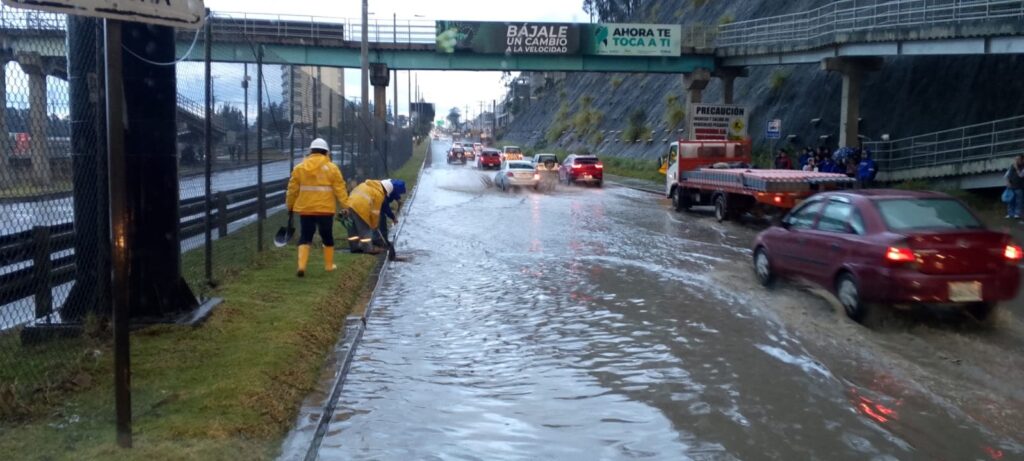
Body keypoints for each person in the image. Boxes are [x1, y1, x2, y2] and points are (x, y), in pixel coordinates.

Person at [286, 138, 349, 277]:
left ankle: (301, 266)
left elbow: (292, 190)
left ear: (311, 151)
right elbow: (340, 189)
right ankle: (329, 265)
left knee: (305, 236)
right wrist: (345, 206)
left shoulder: (299, 168)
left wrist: (290, 206)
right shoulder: (332, 168)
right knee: (327, 236)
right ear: (326, 152)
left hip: (306, 209)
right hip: (325, 209)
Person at [347, 178, 407, 254]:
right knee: (365, 230)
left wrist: (392, 216)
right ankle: (369, 249)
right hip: (361, 208)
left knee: (353, 230)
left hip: (349, 205)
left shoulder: (370, 185)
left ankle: (354, 247)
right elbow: (375, 212)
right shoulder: (379, 194)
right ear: (386, 191)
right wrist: (374, 225)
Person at [1006, 155, 1024, 220]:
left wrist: (1016, 168)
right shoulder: (1012, 166)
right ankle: (1010, 214)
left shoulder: (1022, 167)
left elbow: (1021, 175)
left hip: (1020, 187)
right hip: (1011, 186)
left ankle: (1017, 214)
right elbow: (1007, 175)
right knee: (1010, 200)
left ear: (1022, 160)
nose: (1016, 161)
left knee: (1019, 201)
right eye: (1016, 159)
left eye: (1018, 159)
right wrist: (1008, 182)